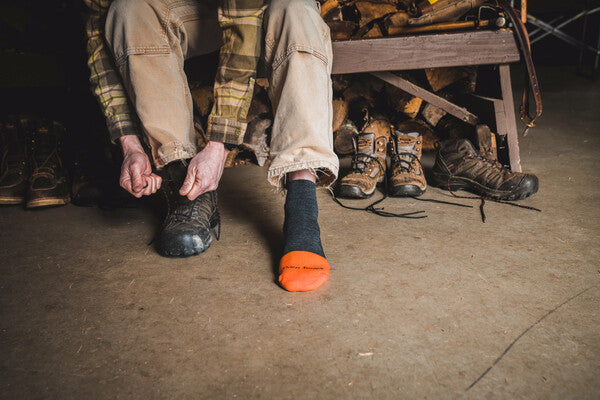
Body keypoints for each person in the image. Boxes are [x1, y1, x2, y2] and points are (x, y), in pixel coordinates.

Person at [84, 0, 339, 292]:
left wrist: (219, 144)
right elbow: (98, 40)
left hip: (266, 9)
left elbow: (242, 26)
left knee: (295, 10)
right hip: (194, 11)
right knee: (128, 10)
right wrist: (129, 143)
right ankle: (184, 180)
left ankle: (302, 199)